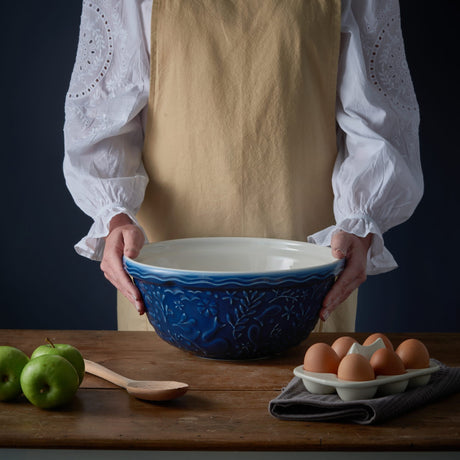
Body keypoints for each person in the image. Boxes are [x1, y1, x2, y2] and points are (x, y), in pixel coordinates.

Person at [63, 0, 423, 332]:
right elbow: (101, 117)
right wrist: (114, 217)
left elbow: (377, 124)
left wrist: (360, 225)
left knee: (303, 393)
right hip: (164, 283)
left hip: (308, 275)